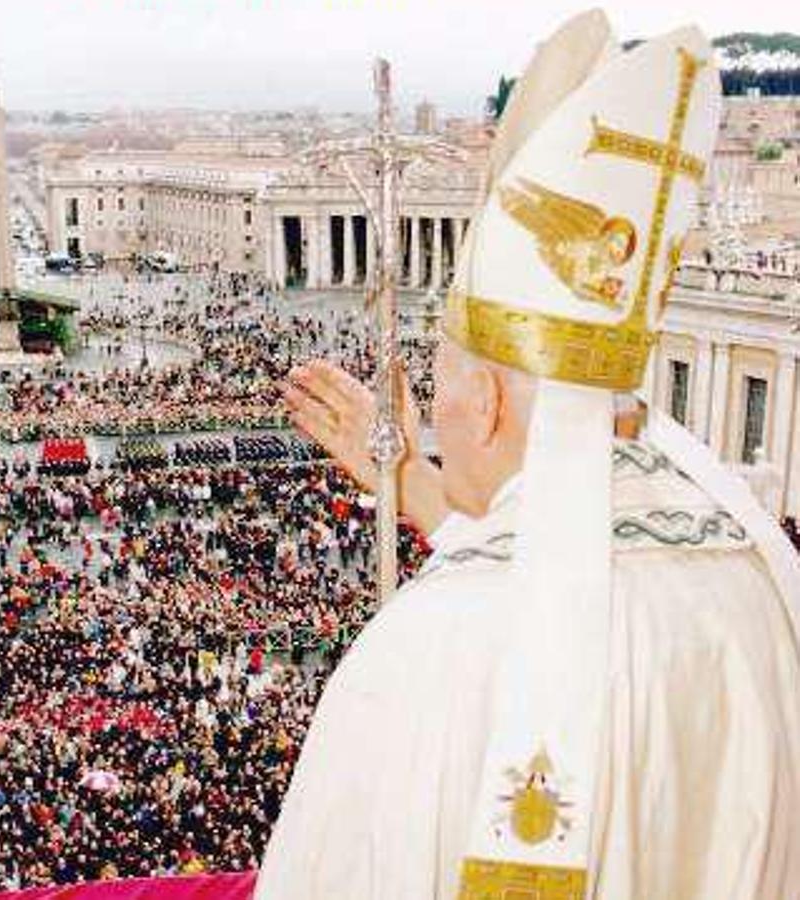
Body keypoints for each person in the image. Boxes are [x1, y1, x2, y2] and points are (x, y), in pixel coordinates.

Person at [262, 12, 800, 900]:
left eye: (438, 392)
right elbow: (565, 564)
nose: (435, 417)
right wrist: (415, 486)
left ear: (487, 402)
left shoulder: (433, 642)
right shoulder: (759, 579)